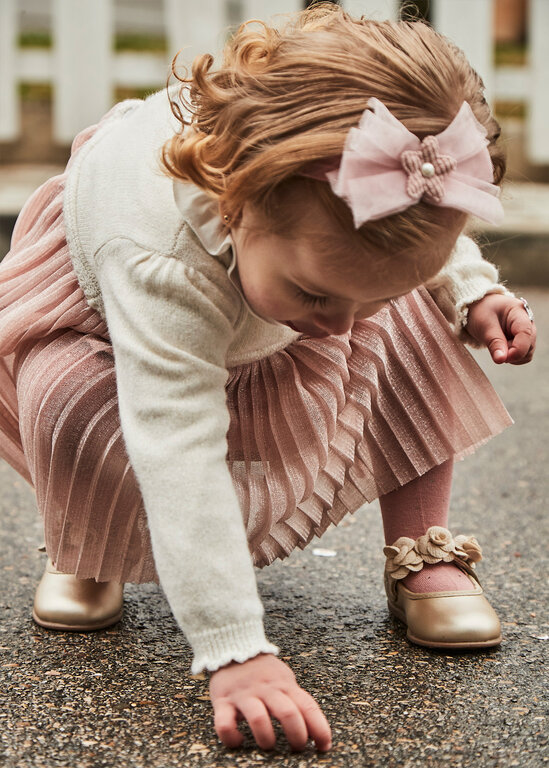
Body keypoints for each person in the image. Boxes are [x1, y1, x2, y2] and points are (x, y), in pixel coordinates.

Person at [0, 4, 537, 754]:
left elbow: (402, 233)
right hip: (116, 328)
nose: (342, 326)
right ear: (236, 199)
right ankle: (89, 550)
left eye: (363, 298)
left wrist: (468, 286)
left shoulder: (350, 217)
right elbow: (177, 448)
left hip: (273, 274)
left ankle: (422, 547)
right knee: (71, 401)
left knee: (416, 317)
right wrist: (234, 649)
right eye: (317, 294)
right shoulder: (157, 260)